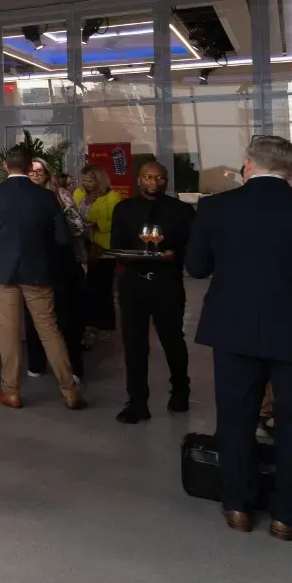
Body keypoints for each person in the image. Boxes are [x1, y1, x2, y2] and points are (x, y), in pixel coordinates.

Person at [184, 135, 292, 540]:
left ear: (248, 164)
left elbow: (196, 268)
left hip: (233, 329)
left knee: (235, 418)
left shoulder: (215, 208)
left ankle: (236, 506)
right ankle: (288, 515)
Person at [0, 145, 84, 410]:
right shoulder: (46, 197)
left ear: (4, 166)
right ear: (28, 168)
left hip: (0, 272)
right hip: (38, 272)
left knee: (9, 332)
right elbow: (61, 238)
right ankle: (69, 390)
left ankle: (11, 392)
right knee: (49, 330)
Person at [109, 160, 195, 422]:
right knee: (134, 344)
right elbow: (117, 247)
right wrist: (133, 257)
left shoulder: (181, 211)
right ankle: (137, 402)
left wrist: (175, 254)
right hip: (134, 283)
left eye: (159, 178)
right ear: (139, 180)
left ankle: (180, 391)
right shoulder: (123, 209)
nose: (154, 182)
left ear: (166, 181)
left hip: (167, 283)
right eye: (148, 177)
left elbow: (192, 247)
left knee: (172, 339)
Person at [25, 156, 87, 379]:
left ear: (47, 174)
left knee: (66, 317)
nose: (35, 175)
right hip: (33, 264)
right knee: (33, 318)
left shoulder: (60, 194)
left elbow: (79, 227)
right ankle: (36, 363)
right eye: (31, 171)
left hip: (62, 262)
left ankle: (73, 369)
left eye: (39, 171)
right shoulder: (21, 197)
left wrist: (55, 222)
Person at [74, 162, 120, 339]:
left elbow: (116, 222)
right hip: (81, 247)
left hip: (102, 249)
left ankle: (105, 325)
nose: (87, 184)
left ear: (99, 180)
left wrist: (96, 223)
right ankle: (88, 323)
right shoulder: (78, 194)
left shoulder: (112, 197)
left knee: (102, 287)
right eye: (84, 180)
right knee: (86, 288)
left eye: (90, 181)